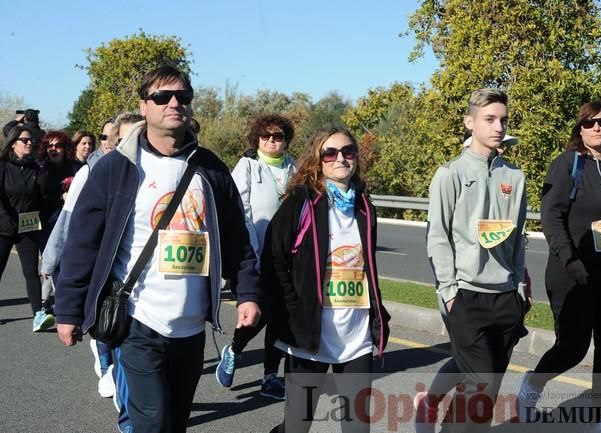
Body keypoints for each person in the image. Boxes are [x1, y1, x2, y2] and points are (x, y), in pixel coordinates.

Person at [55, 65, 261, 433]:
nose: (173, 103)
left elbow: (236, 239)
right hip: (138, 321)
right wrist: (68, 310)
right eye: (162, 97)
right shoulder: (117, 168)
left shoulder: (209, 169)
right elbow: (82, 244)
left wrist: (247, 292)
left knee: (175, 423)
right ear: (144, 106)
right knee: (152, 423)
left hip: (191, 326)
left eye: (182, 97)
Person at [262, 126, 390, 433]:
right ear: (317, 160)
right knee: (297, 426)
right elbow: (273, 258)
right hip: (310, 338)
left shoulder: (364, 207)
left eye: (348, 152)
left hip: (355, 338)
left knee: (358, 428)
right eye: (330, 153)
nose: (340, 159)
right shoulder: (301, 202)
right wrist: (293, 308)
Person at [517, 102, 601, 433]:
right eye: (589, 123)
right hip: (572, 272)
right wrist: (570, 260)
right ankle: (532, 386)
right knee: (572, 347)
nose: (597, 128)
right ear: (579, 130)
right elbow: (552, 217)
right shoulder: (568, 165)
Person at [425, 89, 527, 432]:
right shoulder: (449, 174)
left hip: (506, 297)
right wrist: (449, 293)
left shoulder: (514, 176)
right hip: (466, 295)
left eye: (503, 120)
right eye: (489, 119)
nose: (498, 126)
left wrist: (520, 290)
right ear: (470, 123)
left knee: (486, 390)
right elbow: (438, 237)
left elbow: (518, 239)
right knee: (480, 387)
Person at [41, 112, 143, 399]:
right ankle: (107, 364)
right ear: (111, 141)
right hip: (101, 272)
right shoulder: (91, 172)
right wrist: (50, 260)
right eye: (121, 139)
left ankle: (123, 390)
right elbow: (69, 225)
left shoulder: (148, 173)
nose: (128, 145)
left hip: (134, 279)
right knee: (106, 323)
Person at [216, 114, 296, 400]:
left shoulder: (295, 169)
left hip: (286, 259)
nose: (272, 141)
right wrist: (249, 251)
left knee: (279, 317)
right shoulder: (248, 166)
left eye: (278, 136)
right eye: (266, 137)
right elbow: (240, 210)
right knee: (257, 315)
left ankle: (270, 376)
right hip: (255, 256)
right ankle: (234, 350)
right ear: (257, 139)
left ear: (286, 139)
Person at [0, 127, 50, 330]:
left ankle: (38, 315)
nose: (29, 143)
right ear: (13, 143)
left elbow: (42, 197)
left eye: (31, 141)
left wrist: (43, 177)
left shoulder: (36, 168)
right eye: (24, 140)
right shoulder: (3, 166)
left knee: (31, 272)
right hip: (3, 228)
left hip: (27, 227)